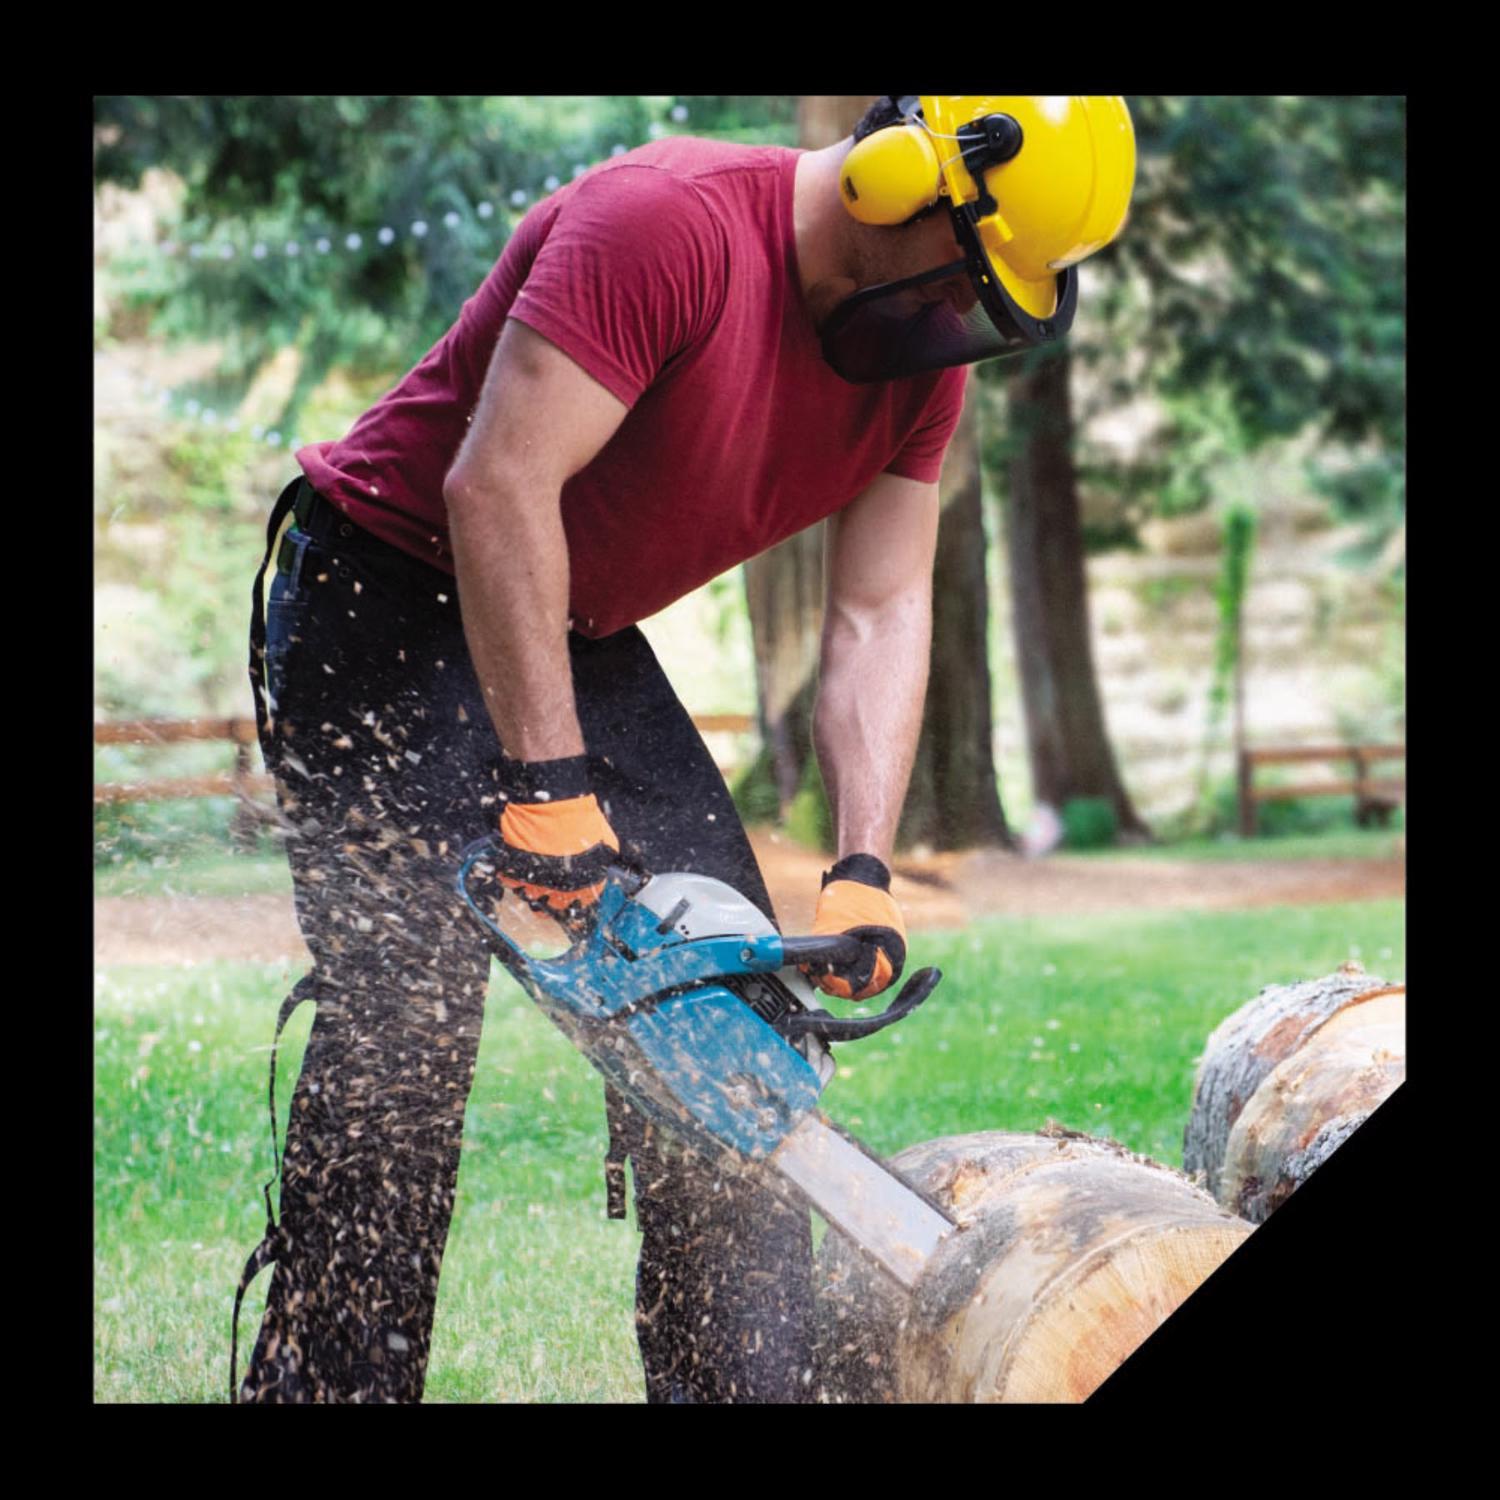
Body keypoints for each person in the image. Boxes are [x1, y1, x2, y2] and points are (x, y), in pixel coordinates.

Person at [232, 95, 1136, 1404]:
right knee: (404, 1036)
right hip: (383, 582)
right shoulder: (666, 225)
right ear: (892, 179)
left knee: (733, 998)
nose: (954, 325)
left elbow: (881, 611)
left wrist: (864, 862)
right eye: (958, 282)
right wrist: (550, 793)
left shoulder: (913, 379)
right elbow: (494, 490)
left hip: (572, 621)